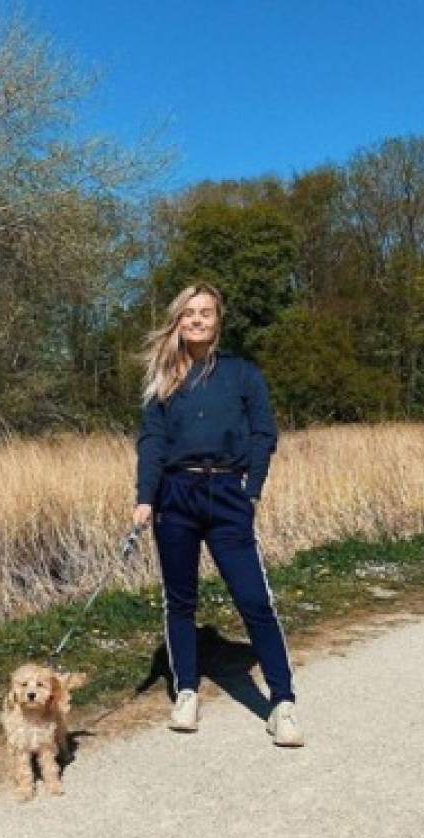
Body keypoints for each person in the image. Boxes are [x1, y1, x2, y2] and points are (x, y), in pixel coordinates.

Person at [132, 282, 304, 746]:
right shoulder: (162, 380)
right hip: (175, 497)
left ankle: (282, 702)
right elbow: (152, 442)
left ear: (217, 320)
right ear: (177, 320)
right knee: (180, 601)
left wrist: (251, 488)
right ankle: (186, 691)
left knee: (254, 600)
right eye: (188, 313)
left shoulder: (242, 374)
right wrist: (145, 496)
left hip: (228, 494)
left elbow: (262, 433)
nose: (196, 320)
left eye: (205, 313)